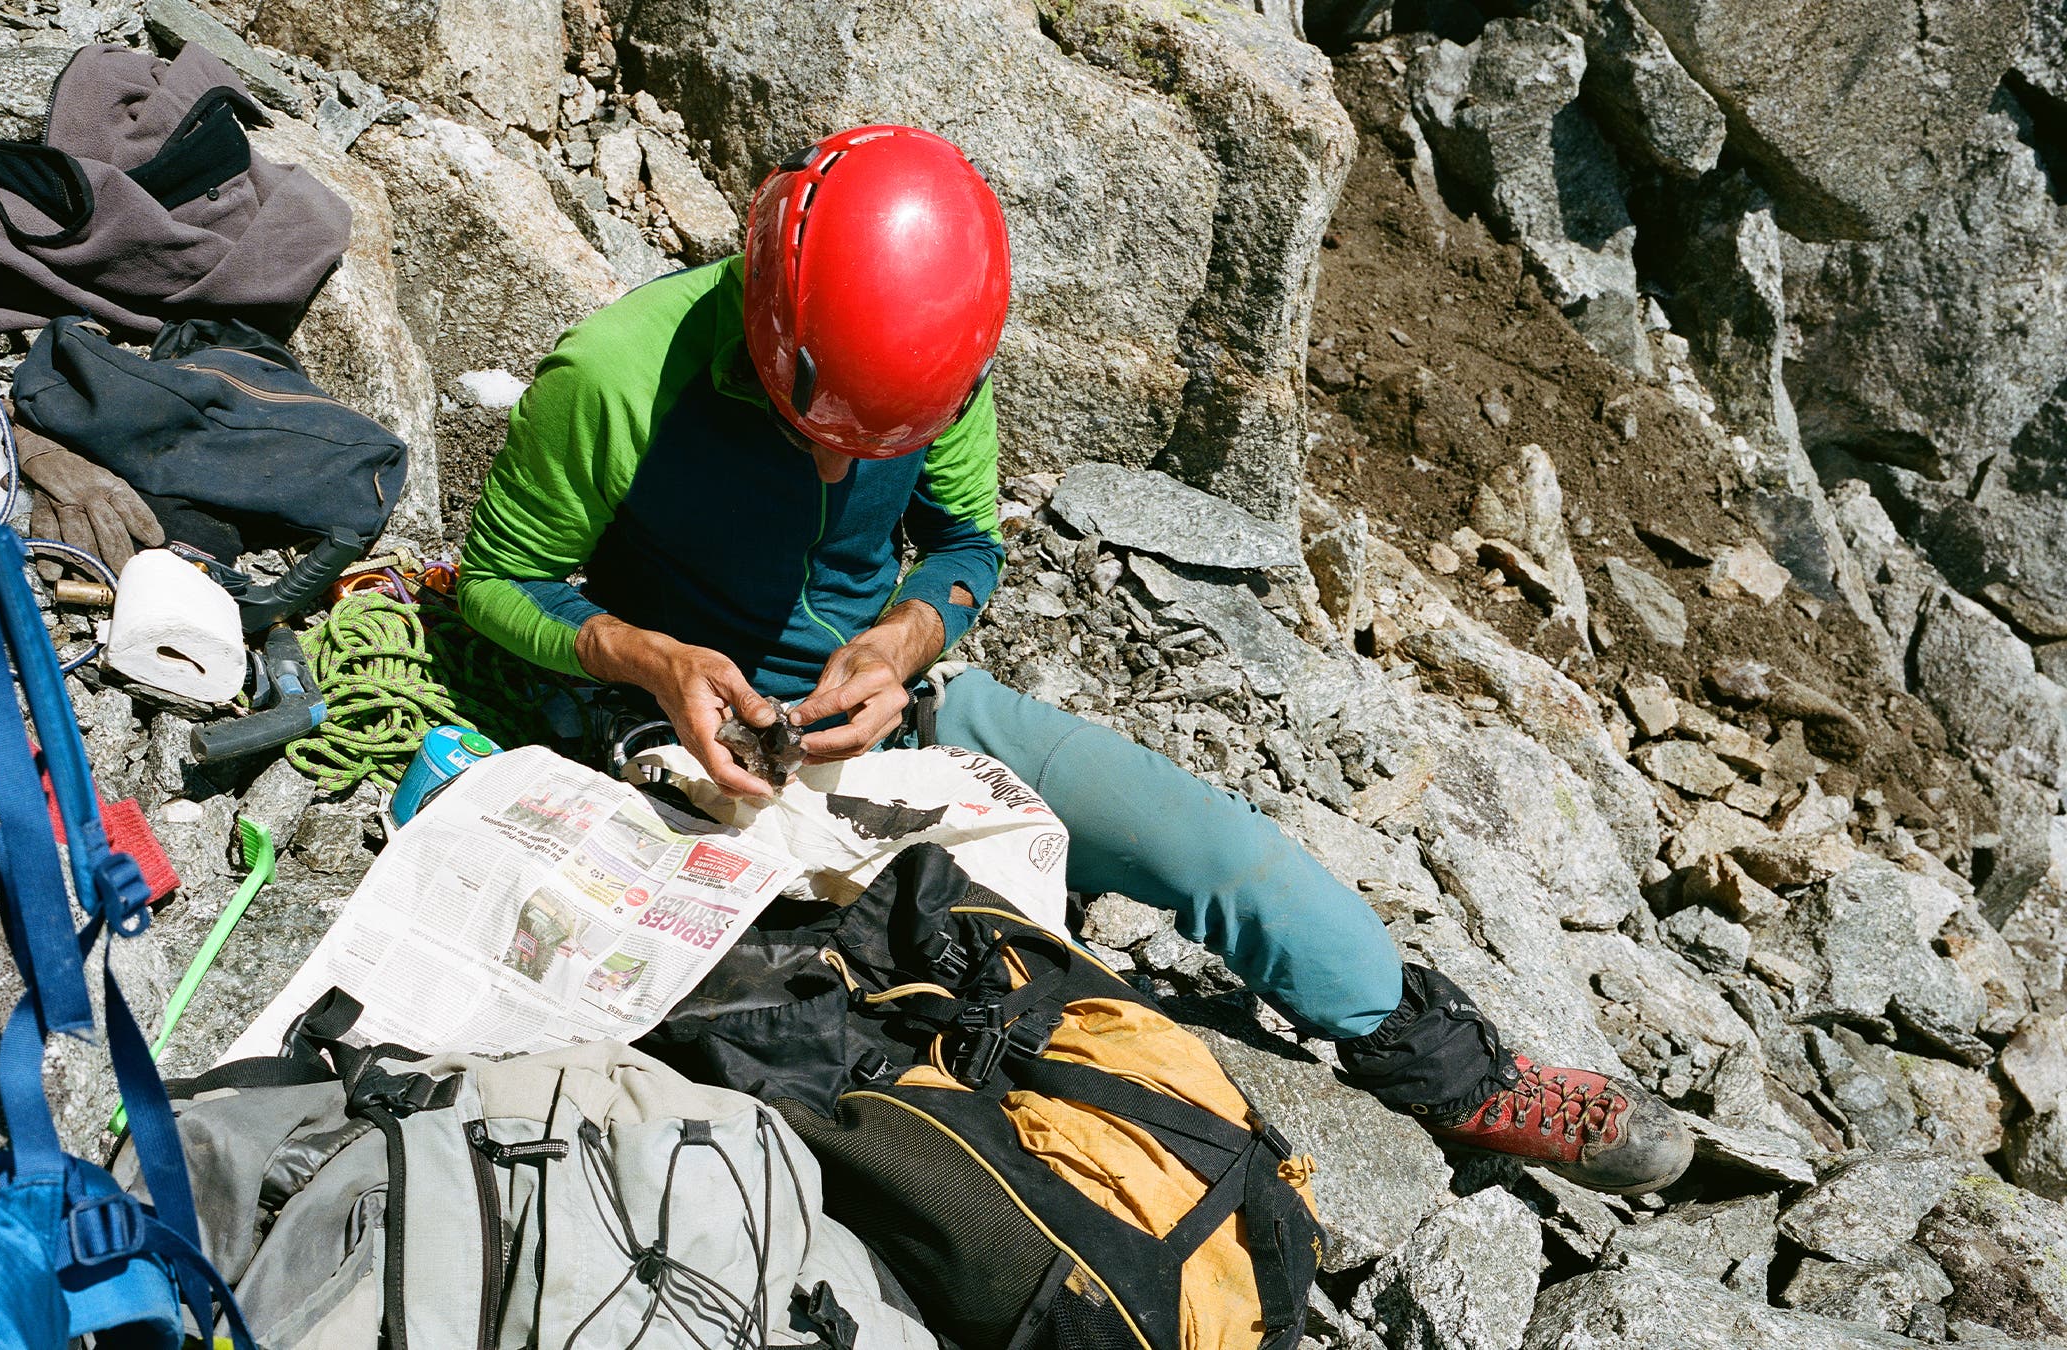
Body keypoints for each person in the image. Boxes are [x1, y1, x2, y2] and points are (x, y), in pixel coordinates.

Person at [457, 124, 1693, 1195]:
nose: (840, 469)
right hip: (683, 746)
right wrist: (649, 656)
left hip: (901, 716)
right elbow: (492, 583)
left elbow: (964, 547)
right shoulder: (616, 378)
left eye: (871, 442)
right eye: (814, 428)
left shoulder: (940, 357)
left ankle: (1459, 1071)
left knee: (1218, 850)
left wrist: (901, 641)